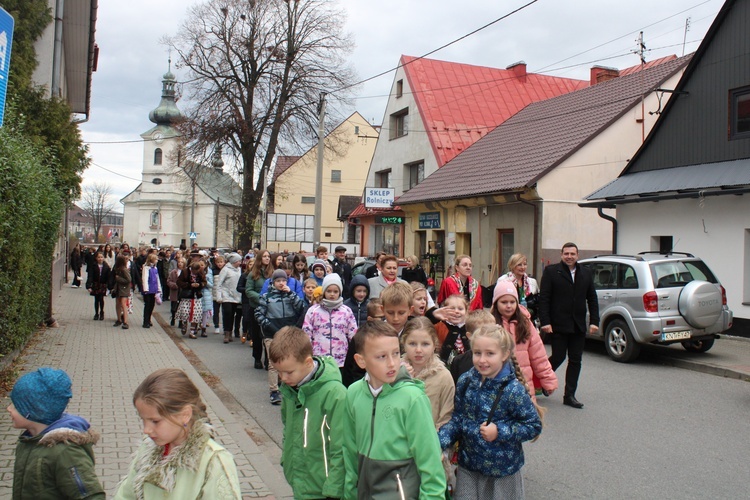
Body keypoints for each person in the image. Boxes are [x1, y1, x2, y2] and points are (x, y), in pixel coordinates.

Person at [343, 321, 447, 499]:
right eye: (381, 356)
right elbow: (349, 450)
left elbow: (430, 461)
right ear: (361, 361)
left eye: (396, 353)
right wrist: (350, 493)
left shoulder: (412, 398)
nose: (392, 363)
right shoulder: (353, 394)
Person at [438, 325, 543, 499]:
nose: (482, 360)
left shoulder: (513, 390)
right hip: (469, 466)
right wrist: (439, 441)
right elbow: (458, 418)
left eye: (490, 354)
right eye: (477, 353)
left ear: (504, 354)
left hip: (502, 470)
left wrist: (499, 431)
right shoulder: (466, 381)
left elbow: (533, 426)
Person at [114, 368, 241, 499]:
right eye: (143, 420)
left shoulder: (213, 462)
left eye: (155, 421)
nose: (146, 430)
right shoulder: (147, 450)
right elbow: (125, 495)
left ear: (185, 415)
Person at [268, 326, 347, 499]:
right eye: (279, 372)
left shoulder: (334, 394)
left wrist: (333, 489)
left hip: (325, 489)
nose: (283, 378)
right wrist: (287, 459)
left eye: (288, 372)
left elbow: (341, 447)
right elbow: (288, 427)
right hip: (300, 481)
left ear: (308, 363)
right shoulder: (290, 391)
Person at [8, 367, 105, 499]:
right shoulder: (28, 441)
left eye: (15, 405)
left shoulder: (66, 451)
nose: (8, 408)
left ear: (33, 410)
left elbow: (91, 495)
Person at [538, 242, 599, 409]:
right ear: (561, 255)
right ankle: (541, 381)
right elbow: (544, 299)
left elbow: (592, 298)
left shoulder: (585, 273)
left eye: (572, 254)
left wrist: (594, 321)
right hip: (558, 324)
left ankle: (570, 395)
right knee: (558, 357)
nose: (569, 256)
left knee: (576, 360)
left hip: (578, 325)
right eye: (566, 253)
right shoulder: (552, 272)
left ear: (577, 255)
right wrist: (545, 322)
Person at [492, 282, 557, 400]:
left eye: (512, 302)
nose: (509, 306)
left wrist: (548, 379)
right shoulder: (490, 324)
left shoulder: (525, 324)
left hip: (524, 385)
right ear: (496, 303)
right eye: (504, 302)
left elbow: (539, 355)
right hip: (496, 386)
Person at [255, 269, 305, 404]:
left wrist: (291, 293)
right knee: (273, 363)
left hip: (289, 333)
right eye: (278, 281)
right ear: (273, 282)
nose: (281, 283)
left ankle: (291, 387)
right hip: (272, 334)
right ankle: (274, 391)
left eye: (283, 280)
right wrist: (270, 327)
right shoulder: (266, 297)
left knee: (291, 361)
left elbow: (301, 308)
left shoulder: (291, 295)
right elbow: (259, 315)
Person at [401, 317, 454, 429]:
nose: (418, 350)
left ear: (434, 345)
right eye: (412, 344)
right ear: (403, 343)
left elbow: (446, 417)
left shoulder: (443, 376)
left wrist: (432, 441)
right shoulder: (394, 372)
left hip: (430, 441)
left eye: (425, 344)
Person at [302, 273, 358, 370]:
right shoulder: (313, 311)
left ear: (339, 293)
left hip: (341, 360)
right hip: (319, 358)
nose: (332, 294)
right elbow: (306, 333)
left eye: (335, 291)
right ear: (324, 292)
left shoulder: (346, 311)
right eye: (329, 291)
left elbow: (353, 334)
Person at [451, 310, 494, 384]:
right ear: (470, 336)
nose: (489, 337)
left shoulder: (501, 359)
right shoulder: (459, 361)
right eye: (482, 333)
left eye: (492, 332)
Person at [246, 251, 273, 368]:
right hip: (256, 307)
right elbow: (249, 290)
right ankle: (257, 358)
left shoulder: (273, 273)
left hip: (270, 309)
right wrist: (261, 298)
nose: (267, 258)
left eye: (268, 256)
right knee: (257, 335)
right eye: (265, 256)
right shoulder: (253, 274)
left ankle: (268, 359)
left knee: (268, 335)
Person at [497, 253, 540, 323]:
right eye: (519, 265)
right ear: (512, 266)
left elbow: (536, 302)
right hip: (508, 318)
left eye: (525, 264)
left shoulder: (532, 282)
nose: (523, 267)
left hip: (527, 319)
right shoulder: (503, 280)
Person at [217, 253, 243, 343]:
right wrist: (219, 296)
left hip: (236, 296)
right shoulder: (225, 270)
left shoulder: (239, 270)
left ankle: (230, 331)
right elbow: (219, 284)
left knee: (232, 314)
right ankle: (226, 333)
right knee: (227, 313)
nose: (240, 262)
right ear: (234, 261)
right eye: (238, 261)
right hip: (226, 295)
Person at [176, 261, 206, 339]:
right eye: (193, 271)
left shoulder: (201, 272)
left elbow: (204, 282)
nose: (195, 273)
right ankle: (184, 323)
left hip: (196, 296)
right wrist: (189, 285)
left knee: (196, 314)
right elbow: (178, 282)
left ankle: (192, 332)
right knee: (185, 312)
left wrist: (200, 284)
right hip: (187, 296)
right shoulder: (185, 272)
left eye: (197, 271)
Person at [436, 294, 469, 365]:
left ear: (466, 312)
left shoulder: (469, 327)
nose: (456, 311)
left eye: (460, 309)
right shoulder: (439, 326)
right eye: (452, 309)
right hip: (444, 365)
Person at [86, 251, 111, 321]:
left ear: (103, 258)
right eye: (99, 257)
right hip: (96, 284)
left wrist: (109, 286)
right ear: (96, 258)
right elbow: (90, 276)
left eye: (101, 257)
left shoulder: (106, 267)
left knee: (101, 298)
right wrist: (88, 286)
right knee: (96, 299)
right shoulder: (93, 266)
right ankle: (96, 313)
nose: (100, 259)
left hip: (103, 284)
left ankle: (102, 312)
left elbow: (109, 277)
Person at [141, 254, 162, 329]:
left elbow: (157, 279)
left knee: (152, 305)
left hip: (154, 289)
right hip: (148, 290)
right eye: (155, 259)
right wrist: (146, 289)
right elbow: (145, 278)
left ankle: (149, 319)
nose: (157, 260)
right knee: (147, 305)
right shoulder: (146, 268)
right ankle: (145, 321)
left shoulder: (155, 268)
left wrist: (159, 289)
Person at [112, 254, 132, 329]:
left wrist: (118, 278)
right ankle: (119, 319)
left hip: (124, 289)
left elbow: (128, 280)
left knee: (123, 304)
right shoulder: (118, 269)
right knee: (118, 303)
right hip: (118, 288)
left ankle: (125, 321)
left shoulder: (124, 270)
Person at [167, 258, 186, 327]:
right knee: (174, 307)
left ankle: (181, 321)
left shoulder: (186, 272)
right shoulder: (173, 272)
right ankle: (173, 317)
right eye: (179, 262)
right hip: (175, 292)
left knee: (181, 307)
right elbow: (169, 281)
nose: (180, 263)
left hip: (182, 292)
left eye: (182, 262)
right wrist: (174, 285)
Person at [210, 255, 225, 334]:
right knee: (216, 311)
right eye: (218, 262)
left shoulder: (225, 271)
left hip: (224, 294)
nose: (220, 264)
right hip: (215, 293)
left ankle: (224, 327)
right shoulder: (213, 271)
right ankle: (216, 325)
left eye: (221, 262)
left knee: (224, 311)